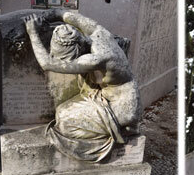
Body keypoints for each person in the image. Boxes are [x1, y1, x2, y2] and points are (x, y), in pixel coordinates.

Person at [24, 10, 141, 162]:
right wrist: (46, 17)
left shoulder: (96, 59)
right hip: (108, 96)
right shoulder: (98, 32)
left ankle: (123, 129)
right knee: (60, 112)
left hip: (123, 107)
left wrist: (33, 33)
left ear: (77, 50)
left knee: (65, 124)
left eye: (69, 59)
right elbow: (63, 14)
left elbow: (47, 64)